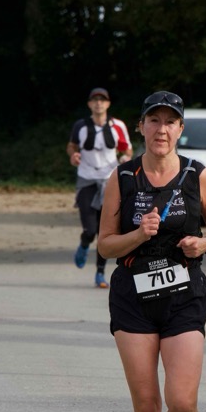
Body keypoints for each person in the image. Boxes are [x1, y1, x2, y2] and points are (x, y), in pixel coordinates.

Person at [97, 90, 206, 412]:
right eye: (153, 120)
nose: (162, 129)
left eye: (170, 121)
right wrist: (138, 235)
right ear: (141, 127)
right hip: (133, 298)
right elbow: (105, 244)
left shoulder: (196, 174)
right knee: (147, 406)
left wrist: (205, 242)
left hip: (183, 295)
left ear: (180, 129)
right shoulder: (122, 177)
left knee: (182, 404)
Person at [66, 88, 133, 289]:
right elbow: (72, 146)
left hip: (110, 181)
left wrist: (125, 157)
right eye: (95, 100)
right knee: (90, 229)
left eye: (102, 100)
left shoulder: (117, 126)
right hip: (87, 180)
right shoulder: (80, 126)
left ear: (108, 104)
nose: (98, 103)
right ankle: (84, 243)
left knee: (105, 231)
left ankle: (100, 273)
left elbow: (127, 148)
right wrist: (74, 155)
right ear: (89, 104)